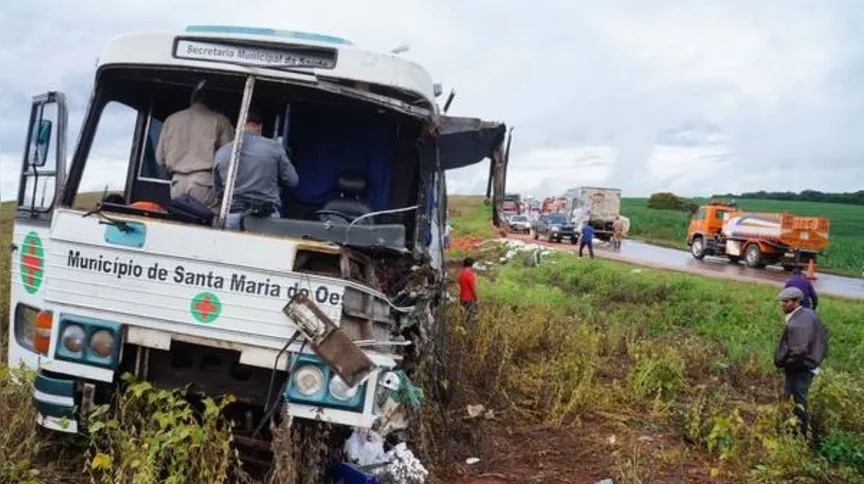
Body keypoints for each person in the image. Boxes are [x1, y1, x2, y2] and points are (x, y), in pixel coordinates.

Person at [213, 112, 299, 231]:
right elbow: (293, 181)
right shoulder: (274, 148)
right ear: (260, 126)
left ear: (236, 127)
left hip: (232, 216)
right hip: (266, 218)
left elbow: (218, 191)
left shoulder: (222, 152)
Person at [156, 88, 235, 209]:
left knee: (179, 222)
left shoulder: (171, 120)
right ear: (213, 101)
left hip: (177, 184)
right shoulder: (220, 120)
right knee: (209, 223)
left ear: (191, 100)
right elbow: (228, 158)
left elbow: (160, 159)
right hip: (205, 183)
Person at [774, 286, 828, 439]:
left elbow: (798, 351)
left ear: (797, 302)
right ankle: (793, 429)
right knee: (795, 398)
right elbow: (824, 332)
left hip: (801, 367)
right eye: (781, 301)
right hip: (809, 363)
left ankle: (800, 434)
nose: (782, 304)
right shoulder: (809, 314)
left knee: (797, 399)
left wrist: (785, 364)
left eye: (786, 301)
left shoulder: (798, 323)